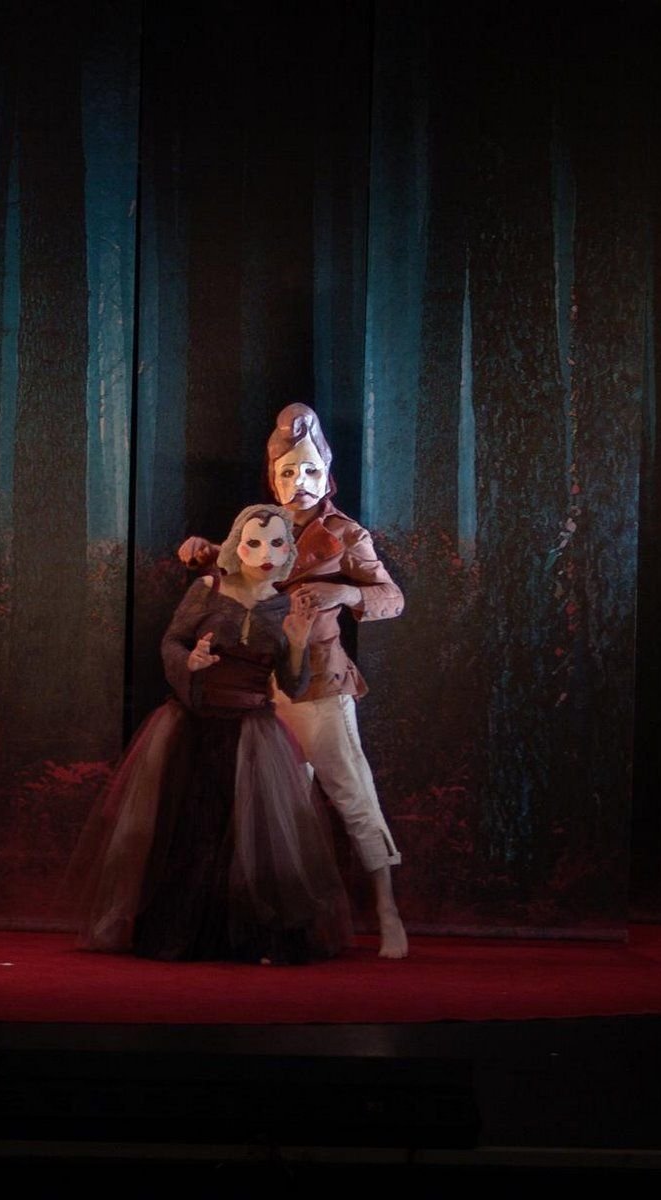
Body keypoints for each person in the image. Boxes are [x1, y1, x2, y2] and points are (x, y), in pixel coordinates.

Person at [71, 503, 351, 963]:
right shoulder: (208, 589)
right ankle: (182, 932)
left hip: (253, 733)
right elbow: (172, 641)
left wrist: (299, 643)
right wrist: (190, 662)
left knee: (251, 837)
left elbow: (294, 685)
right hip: (193, 726)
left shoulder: (288, 605)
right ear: (236, 546)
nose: (265, 553)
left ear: (289, 551)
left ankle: (252, 937)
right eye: (254, 542)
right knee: (191, 829)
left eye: (277, 543)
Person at [179, 404, 409, 957]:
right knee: (279, 810)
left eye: (309, 470)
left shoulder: (344, 533)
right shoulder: (262, 524)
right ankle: (289, 925)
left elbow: (391, 596)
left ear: (327, 473)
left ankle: (387, 910)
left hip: (320, 687)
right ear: (273, 477)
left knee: (352, 795)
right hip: (262, 687)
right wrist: (203, 554)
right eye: (288, 471)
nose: (299, 482)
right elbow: (234, 568)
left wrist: (345, 592)